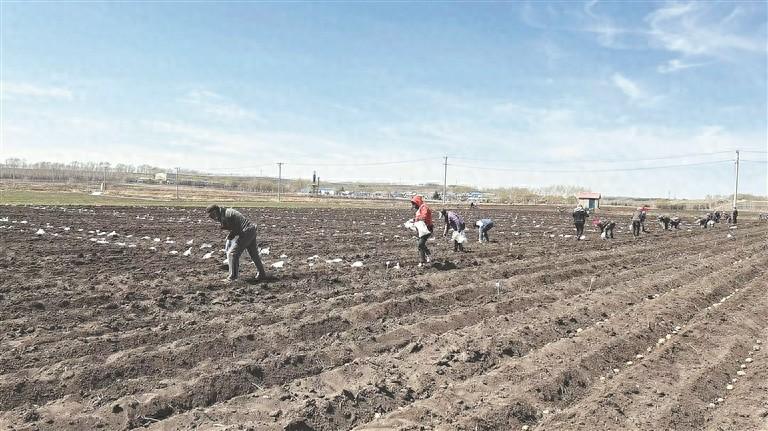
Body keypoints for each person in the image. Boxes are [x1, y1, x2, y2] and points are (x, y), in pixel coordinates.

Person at [206, 204, 267, 282]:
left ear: (215, 212)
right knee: (254, 254)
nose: (212, 219)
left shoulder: (226, 215)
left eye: (212, 216)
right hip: (251, 230)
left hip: (246, 232)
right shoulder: (224, 213)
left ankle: (232, 277)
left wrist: (230, 235)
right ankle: (262, 274)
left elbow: (237, 228)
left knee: (232, 253)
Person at [410, 195, 434, 266]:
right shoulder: (420, 208)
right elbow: (418, 218)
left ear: (417, 202)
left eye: (414, 204)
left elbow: (424, 216)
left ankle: (427, 256)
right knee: (420, 244)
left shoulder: (424, 207)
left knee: (420, 244)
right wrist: (412, 222)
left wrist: (416, 219)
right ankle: (423, 260)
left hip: (427, 229)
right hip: (421, 229)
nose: (414, 207)